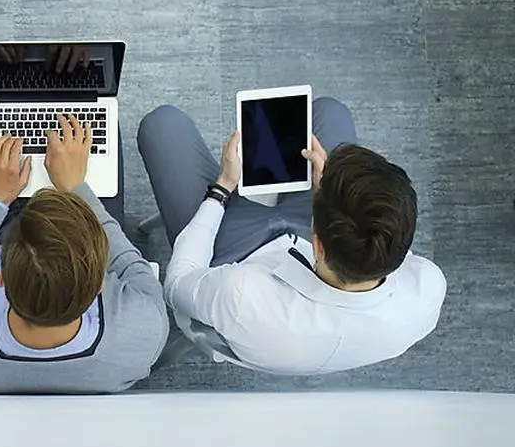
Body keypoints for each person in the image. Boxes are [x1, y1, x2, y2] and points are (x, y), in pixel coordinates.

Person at [137, 98, 447, 374]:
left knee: (163, 124)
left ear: (319, 244)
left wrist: (221, 189)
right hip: (326, 241)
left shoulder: (243, 294)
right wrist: (332, 195)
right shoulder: (426, 288)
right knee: (329, 110)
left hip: (237, 254)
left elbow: (177, 285)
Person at [0, 116, 169, 393]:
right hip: (66, 230)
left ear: (0, 279)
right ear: (99, 286)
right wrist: (77, 189)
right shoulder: (144, 333)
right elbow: (132, 266)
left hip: (2, 229)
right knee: (96, 122)